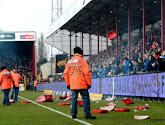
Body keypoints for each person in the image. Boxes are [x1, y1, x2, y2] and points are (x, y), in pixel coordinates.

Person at [64, 47, 96, 119]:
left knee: (74, 99)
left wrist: (68, 84)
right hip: (82, 84)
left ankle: (73, 114)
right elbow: (86, 73)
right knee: (86, 98)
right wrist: (89, 83)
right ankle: (87, 113)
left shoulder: (69, 62)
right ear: (80, 53)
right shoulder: (83, 61)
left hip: (73, 84)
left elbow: (66, 74)